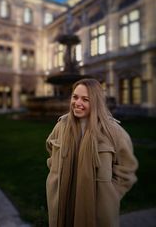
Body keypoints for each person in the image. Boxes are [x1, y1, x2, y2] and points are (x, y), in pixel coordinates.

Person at [46, 78, 138, 227]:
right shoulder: (61, 126)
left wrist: (111, 194)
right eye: (75, 97)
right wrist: (56, 176)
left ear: (96, 102)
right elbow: (51, 152)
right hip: (62, 203)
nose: (78, 103)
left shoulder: (113, 131)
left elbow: (127, 169)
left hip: (97, 210)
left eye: (85, 99)